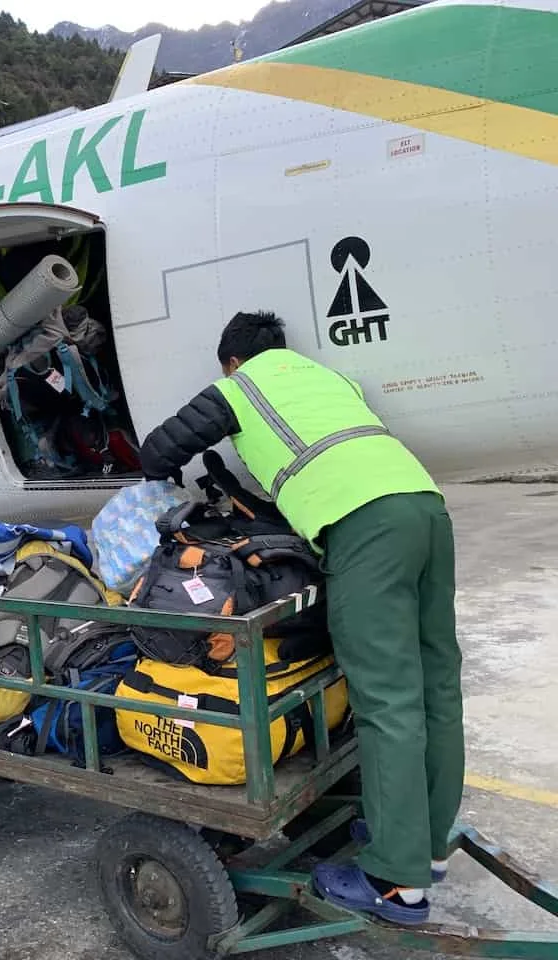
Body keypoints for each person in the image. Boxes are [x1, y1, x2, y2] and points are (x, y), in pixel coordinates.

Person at [137, 310, 462, 926]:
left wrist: (158, 477)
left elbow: (160, 447)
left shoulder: (239, 387)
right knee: (435, 686)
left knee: (386, 700)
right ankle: (429, 844)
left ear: (231, 361)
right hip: (425, 508)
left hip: (363, 528)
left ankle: (397, 883)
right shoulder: (329, 382)